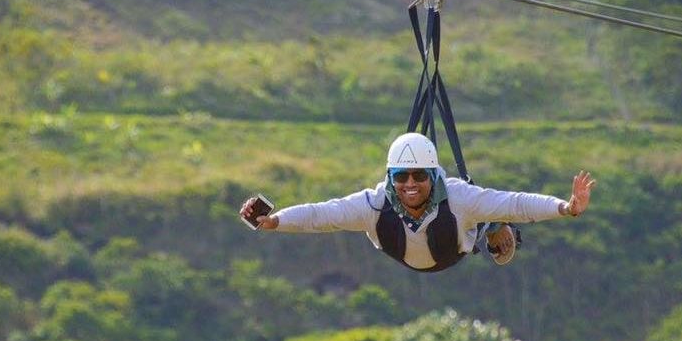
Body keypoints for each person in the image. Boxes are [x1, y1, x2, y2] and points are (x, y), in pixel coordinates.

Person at [239, 133, 596, 272]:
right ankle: (487, 224)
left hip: (451, 247)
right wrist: (274, 221)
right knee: (475, 212)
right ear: (391, 177)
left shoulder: (458, 196)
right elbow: (322, 215)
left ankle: (490, 228)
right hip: (407, 253)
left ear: (432, 174)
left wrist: (566, 208)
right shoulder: (374, 204)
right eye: (401, 177)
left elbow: (516, 203)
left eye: (419, 177)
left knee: (489, 208)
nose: (410, 185)